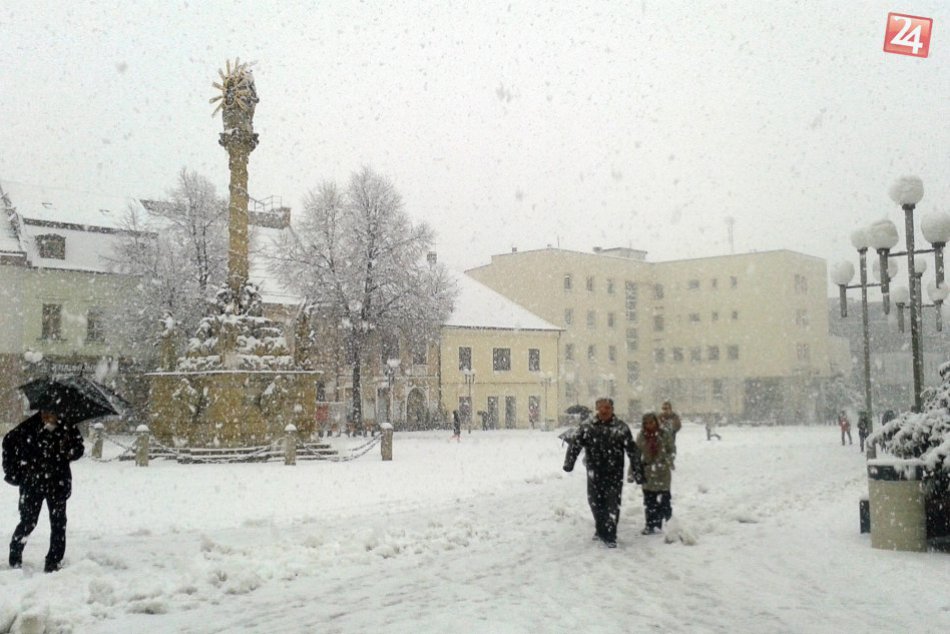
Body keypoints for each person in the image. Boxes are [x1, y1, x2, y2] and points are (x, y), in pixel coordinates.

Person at [3, 409, 85, 572]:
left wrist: (69, 451)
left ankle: (54, 560)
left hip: (58, 482)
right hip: (32, 482)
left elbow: (78, 448)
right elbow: (9, 442)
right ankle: (15, 556)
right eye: (44, 413)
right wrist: (13, 470)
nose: (47, 417)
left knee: (58, 522)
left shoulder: (67, 428)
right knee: (28, 521)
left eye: (52, 413)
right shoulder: (28, 427)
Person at [563, 397, 641, 548]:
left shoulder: (621, 428)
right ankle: (600, 529)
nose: (604, 410)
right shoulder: (588, 427)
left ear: (612, 409)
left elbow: (632, 450)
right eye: (601, 407)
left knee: (612, 504)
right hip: (594, 473)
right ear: (597, 409)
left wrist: (638, 470)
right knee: (595, 503)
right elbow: (575, 444)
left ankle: (610, 535)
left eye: (607, 408)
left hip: (614, 473)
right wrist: (569, 463)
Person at [633, 412, 676, 534]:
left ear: (656, 422)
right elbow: (636, 455)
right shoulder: (641, 436)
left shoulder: (664, 434)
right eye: (646, 423)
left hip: (662, 472)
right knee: (649, 501)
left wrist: (667, 461)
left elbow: (672, 450)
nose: (649, 425)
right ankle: (651, 525)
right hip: (648, 473)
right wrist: (633, 471)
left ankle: (669, 525)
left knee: (664, 500)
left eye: (651, 422)